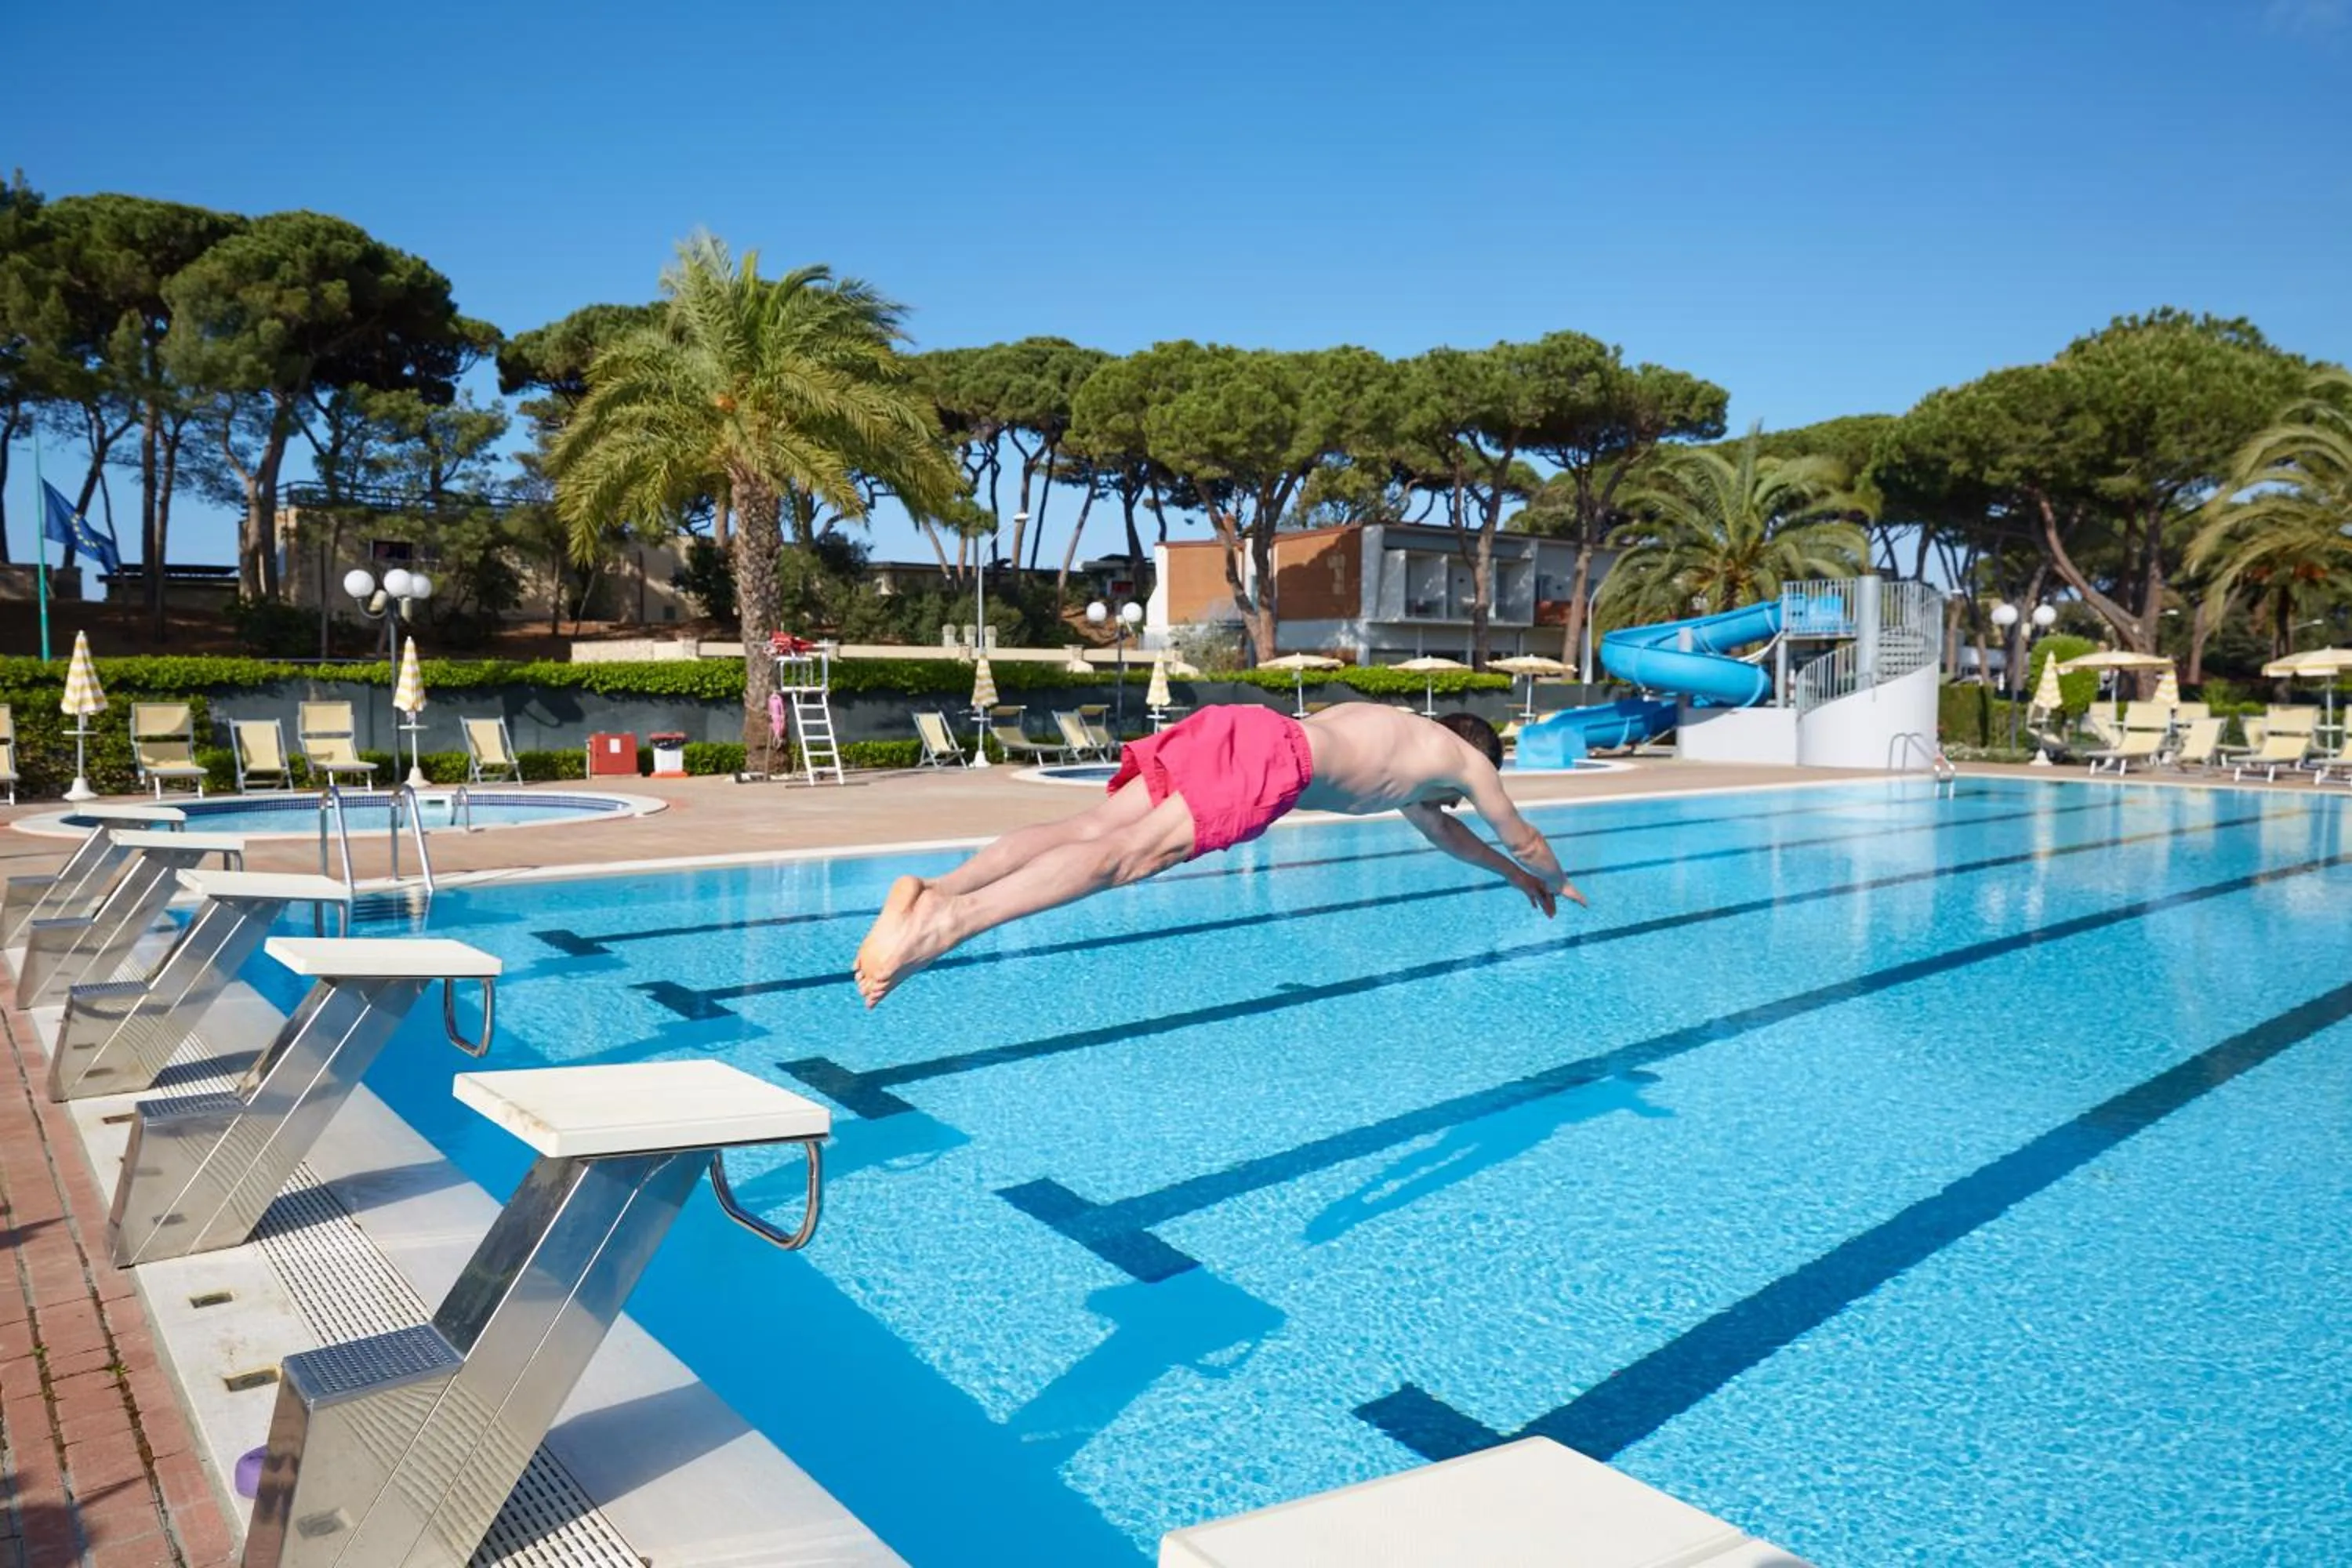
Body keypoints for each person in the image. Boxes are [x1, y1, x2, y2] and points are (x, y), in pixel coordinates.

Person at [853, 702, 1581, 1006]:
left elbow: (1448, 834)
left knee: (1088, 829)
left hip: (1242, 728)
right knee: (1128, 858)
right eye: (1459, 793)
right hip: (1274, 761)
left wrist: (1515, 879)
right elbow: (1517, 831)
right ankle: (944, 927)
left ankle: (936, 892)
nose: (1453, 804)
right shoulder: (1467, 758)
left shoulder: (1401, 737)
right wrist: (1552, 875)